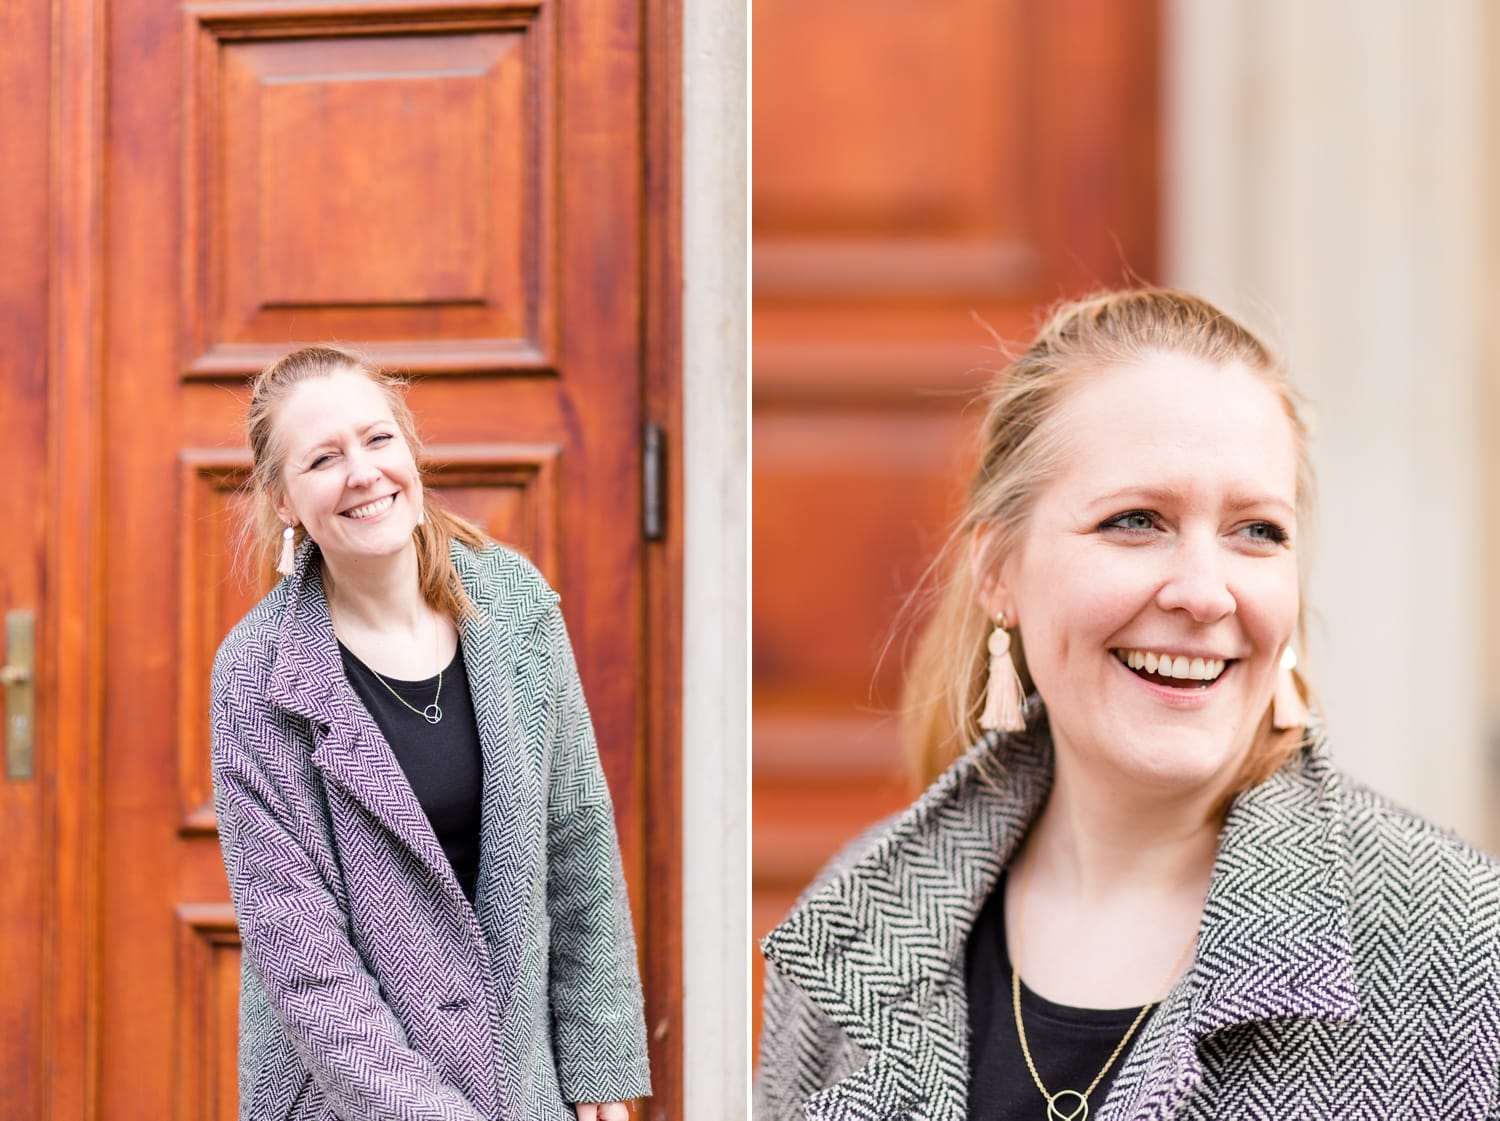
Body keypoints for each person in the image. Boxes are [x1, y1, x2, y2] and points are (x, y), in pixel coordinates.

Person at [753, 289, 1500, 1119]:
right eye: (1136, 520)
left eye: (1257, 530)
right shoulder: (858, 922)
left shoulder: (1457, 945)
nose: (1205, 593)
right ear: (999, 570)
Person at [211, 345, 649, 1121]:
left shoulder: (514, 603)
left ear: (409, 449)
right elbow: (308, 970)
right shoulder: (254, 675)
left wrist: (600, 1070)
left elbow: (577, 844)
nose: (363, 473)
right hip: (346, 1101)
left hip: (523, 1089)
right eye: (323, 458)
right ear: (284, 501)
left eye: (378, 439)